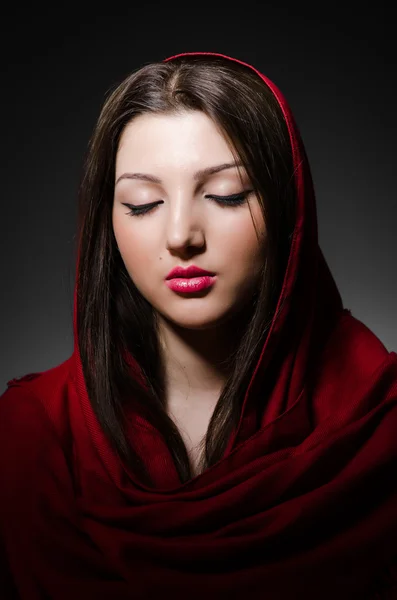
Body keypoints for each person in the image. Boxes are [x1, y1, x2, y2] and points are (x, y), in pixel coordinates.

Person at [1, 51, 396, 599]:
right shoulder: (30, 436)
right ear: (105, 221)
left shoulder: (379, 424)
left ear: (287, 207)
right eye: (143, 204)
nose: (182, 234)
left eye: (226, 195)